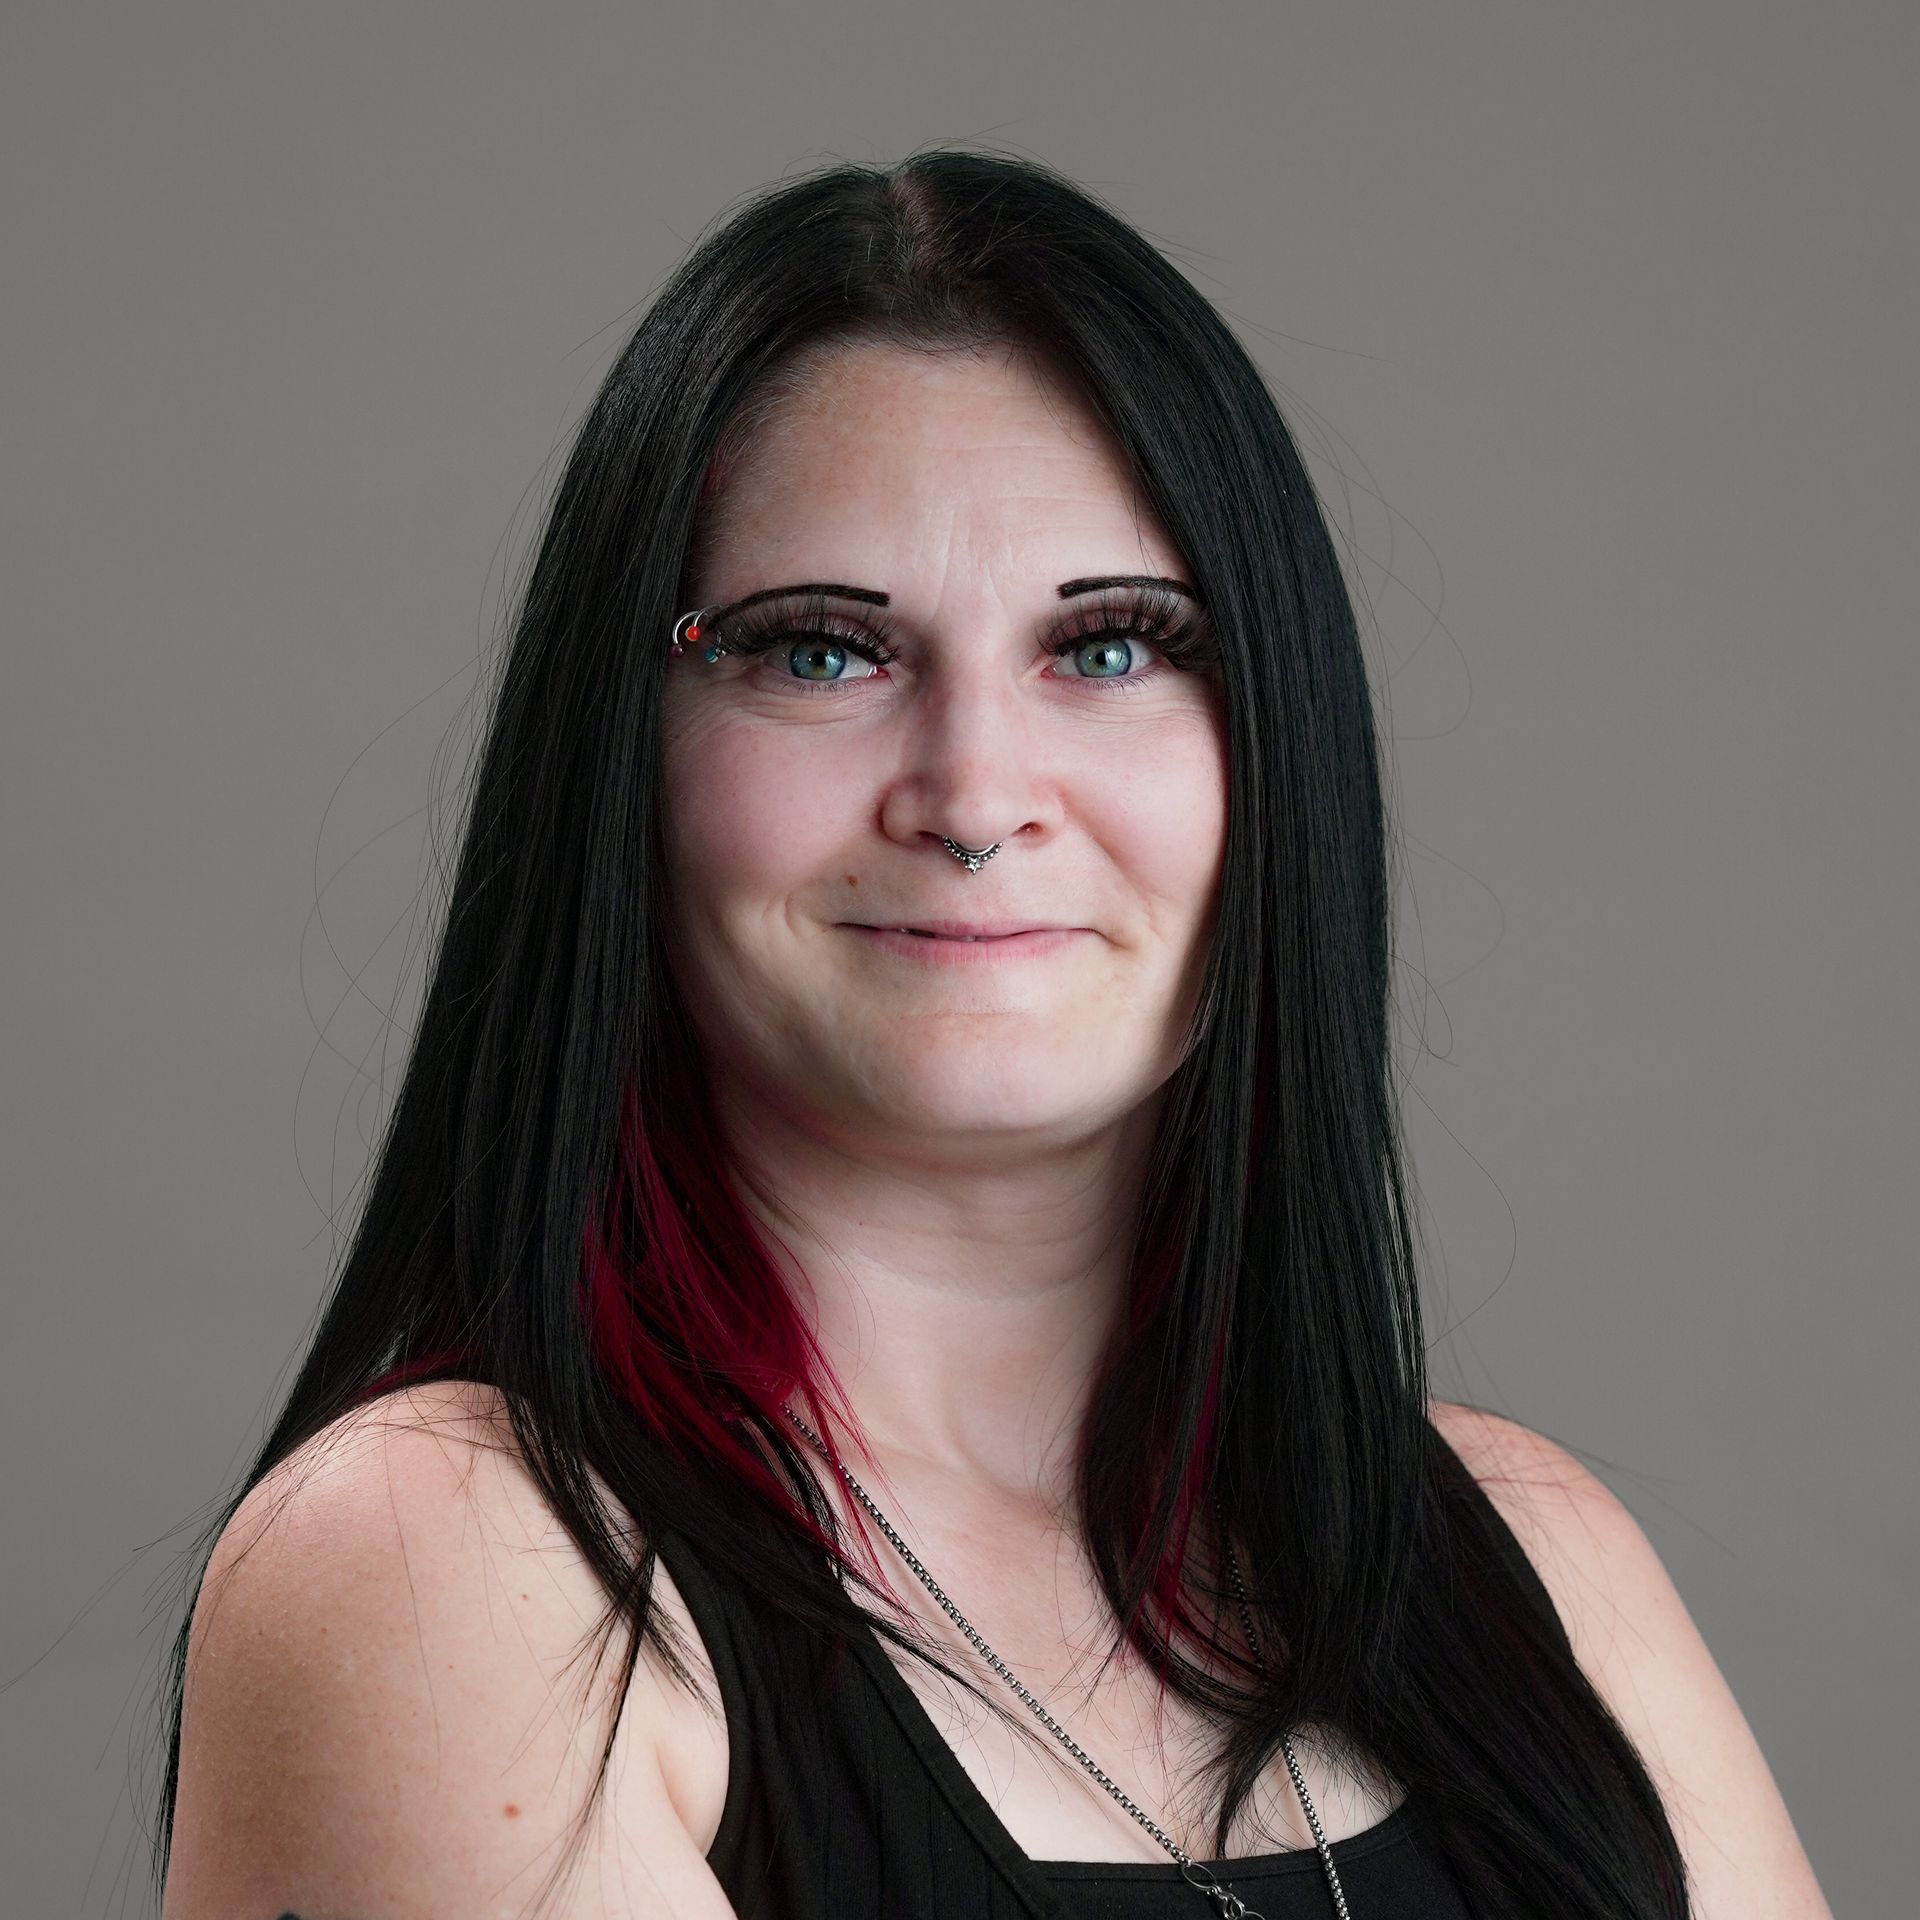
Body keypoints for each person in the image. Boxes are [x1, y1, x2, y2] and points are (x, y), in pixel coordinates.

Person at [155, 150, 1831, 1920]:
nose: (973, 798)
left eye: (1112, 648)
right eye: (821, 653)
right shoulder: (449, 1565)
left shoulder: (1532, 1553)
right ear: (622, 760)